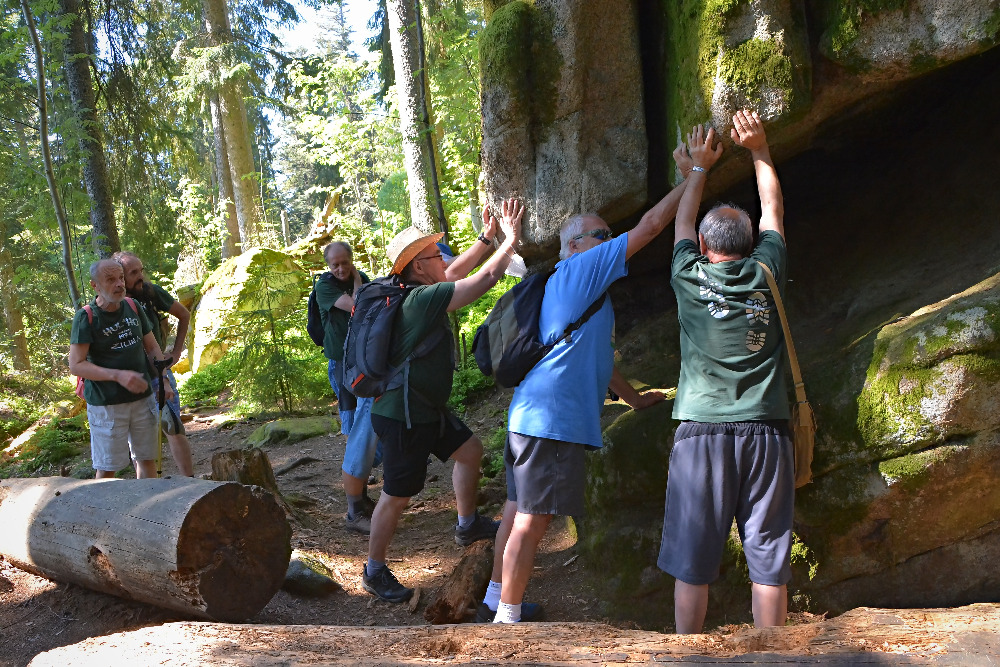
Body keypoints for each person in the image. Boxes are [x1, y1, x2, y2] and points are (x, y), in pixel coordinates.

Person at [483, 143, 698, 624]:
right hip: (551, 421)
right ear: (574, 245)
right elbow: (651, 228)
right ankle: (507, 622)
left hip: (529, 415)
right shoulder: (581, 270)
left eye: (607, 232)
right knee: (532, 520)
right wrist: (694, 175)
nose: (610, 237)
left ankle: (497, 599)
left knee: (517, 508)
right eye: (600, 233)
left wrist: (635, 398)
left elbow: (600, 362)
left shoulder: (580, 290)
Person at [657, 110, 793, 633]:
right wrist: (759, 148)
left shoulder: (688, 276)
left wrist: (698, 168)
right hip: (766, 431)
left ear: (705, 248)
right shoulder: (767, 271)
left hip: (702, 433)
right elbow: (774, 209)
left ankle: (687, 652)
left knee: (693, 560)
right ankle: (772, 654)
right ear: (751, 241)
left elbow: (681, 224)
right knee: (768, 559)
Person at [362, 199, 523, 603]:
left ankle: (467, 524)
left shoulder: (419, 289)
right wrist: (511, 239)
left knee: (469, 450)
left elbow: (454, 271)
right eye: (436, 253)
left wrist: (488, 238)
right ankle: (374, 569)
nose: (444, 258)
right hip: (402, 416)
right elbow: (483, 280)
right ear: (418, 266)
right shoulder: (418, 300)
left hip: (425, 410)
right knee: (397, 494)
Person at [69, 259, 173, 479]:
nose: (119, 284)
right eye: (110, 280)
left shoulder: (132, 307)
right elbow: (76, 364)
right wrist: (117, 376)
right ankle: (105, 513)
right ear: (95, 285)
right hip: (107, 405)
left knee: (147, 460)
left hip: (142, 400)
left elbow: (152, 347)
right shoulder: (87, 317)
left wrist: (163, 379)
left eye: (121, 278)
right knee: (108, 468)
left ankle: (149, 510)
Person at [315, 241, 380, 533]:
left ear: (351, 259)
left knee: (364, 430)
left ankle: (362, 497)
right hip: (342, 365)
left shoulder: (362, 278)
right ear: (328, 266)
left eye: (345, 263)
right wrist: (356, 280)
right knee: (353, 428)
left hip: (363, 362)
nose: (340, 269)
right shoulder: (324, 287)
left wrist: (358, 279)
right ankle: (356, 505)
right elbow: (357, 306)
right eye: (335, 265)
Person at [114, 251, 194, 477]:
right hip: (130, 380)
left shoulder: (151, 292)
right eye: (133, 273)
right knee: (138, 441)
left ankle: (190, 483)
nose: (140, 276)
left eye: (141, 270)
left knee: (173, 427)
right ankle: (147, 492)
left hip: (159, 373)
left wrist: (176, 352)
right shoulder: (113, 302)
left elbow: (183, 314)